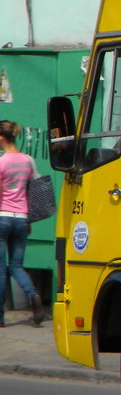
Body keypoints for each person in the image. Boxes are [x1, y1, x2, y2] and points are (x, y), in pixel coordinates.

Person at [0, 120, 45, 328]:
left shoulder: (1, 162)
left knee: (1, 268)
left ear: (2, 138)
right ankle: (32, 294)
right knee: (17, 266)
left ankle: (0, 317)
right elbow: (35, 187)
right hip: (22, 217)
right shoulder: (28, 160)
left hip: (3, 217)